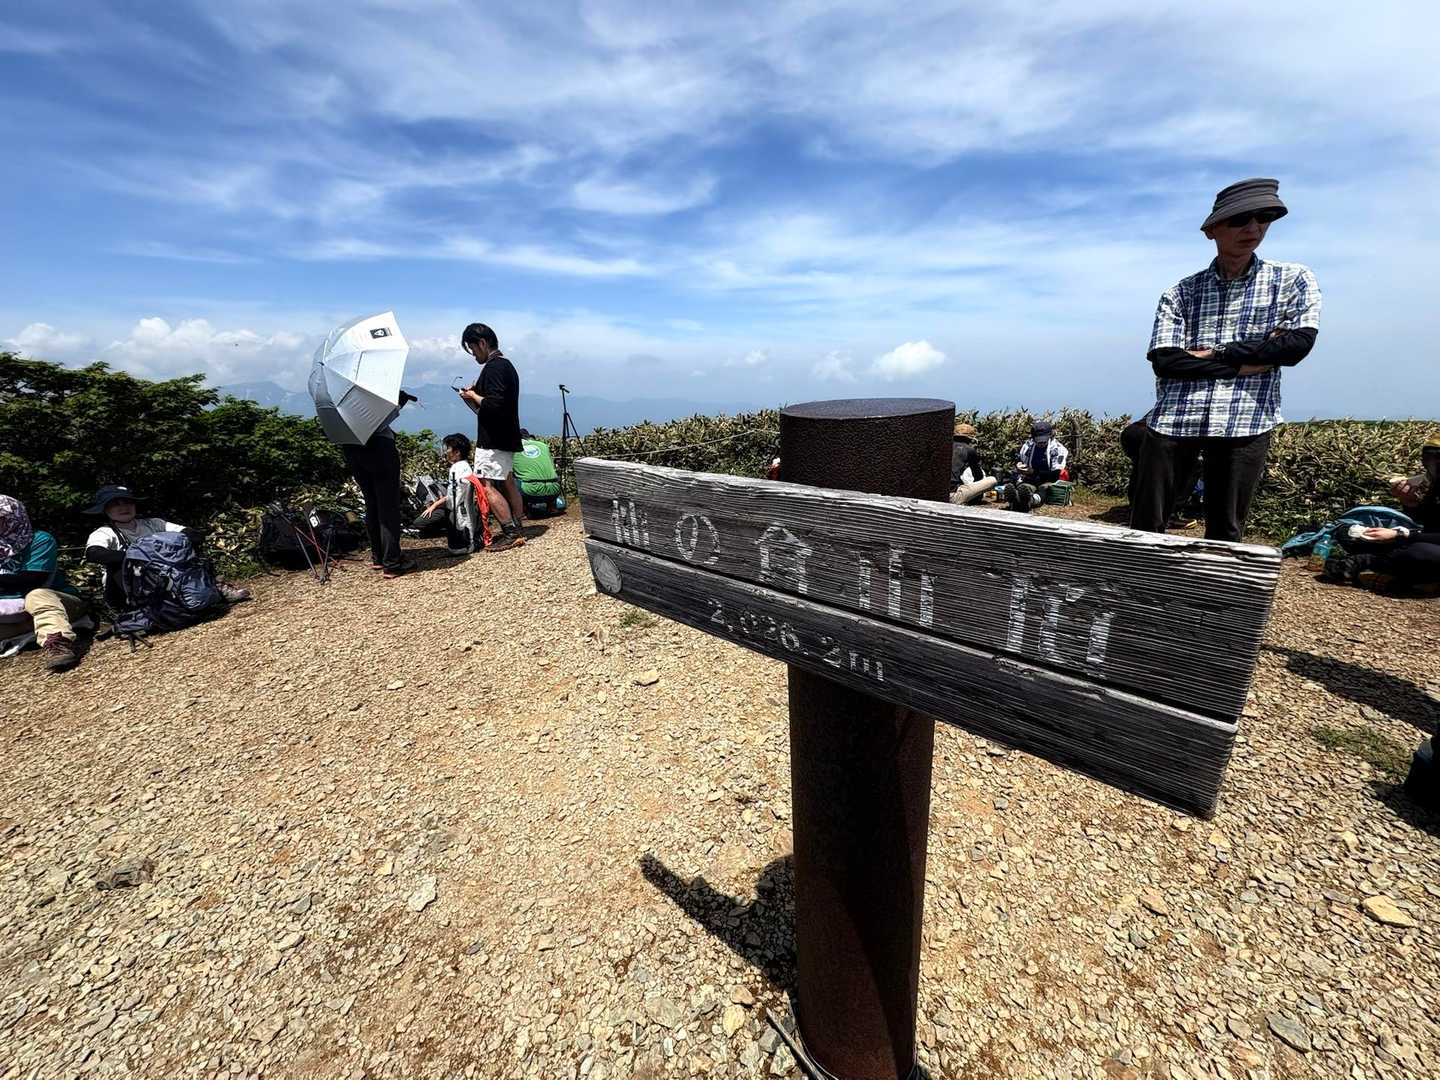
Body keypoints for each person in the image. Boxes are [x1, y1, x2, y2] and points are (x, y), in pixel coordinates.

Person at [1131, 178, 1322, 542]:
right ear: (1212, 230)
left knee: (1225, 534)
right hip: (1174, 419)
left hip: (1246, 420)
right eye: (1239, 220)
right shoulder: (1181, 292)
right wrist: (1246, 361)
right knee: (1146, 528)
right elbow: (1166, 361)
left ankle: (1214, 582)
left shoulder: (1293, 279)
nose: (1253, 228)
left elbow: (1295, 347)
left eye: (1263, 217)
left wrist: (1215, 353)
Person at [82, 485, 251, 607]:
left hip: (169, 574)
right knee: (118, 566)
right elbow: (93, 553)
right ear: (105, 510)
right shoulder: (104, 533)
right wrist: (138, 555)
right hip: (130, 586)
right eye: (115, 504)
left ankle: (211, 587)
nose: (123, 507)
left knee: (188, 549)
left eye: (127, 502)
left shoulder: (154, 523)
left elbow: (192, 534)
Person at [1334, 435, 1440, 589]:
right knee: (1350, 534)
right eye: (1429, 458)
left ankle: (1370, 563)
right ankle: (1395, 569)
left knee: (1420, 553)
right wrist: (1408, 502)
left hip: (1427, 547)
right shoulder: (1435, 485)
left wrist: (1400, 535)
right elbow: (1427, 523)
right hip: (1423, 539)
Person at [0, 495, 90, 672]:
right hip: (9, 613)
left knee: (37, 595)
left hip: (54, 602)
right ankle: (30, 627)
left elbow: (32, 580)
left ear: (14, 517)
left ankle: (58, 643)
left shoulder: (40, 540)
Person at [457, 323, 526, 552]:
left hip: (493, 438)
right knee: (507, 480)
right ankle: (518, 526)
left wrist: (474, 395)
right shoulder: (507, 366)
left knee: (486, 484)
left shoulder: (494, 367)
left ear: (482, 343)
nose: (473, 354)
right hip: (508, 434)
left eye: (472, 348)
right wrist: (472, 398)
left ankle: (510, 532)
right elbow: (493, 407)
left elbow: (495, 405)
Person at [419, 433, 489, 556]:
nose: (446, 451)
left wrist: (437, 506)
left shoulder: (457, 469)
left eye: (448, 448)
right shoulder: (465, 466)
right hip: (464, 511)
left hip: (459, 516)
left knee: (421, 523)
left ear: (457, 452)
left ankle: (464, 543)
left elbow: (454, 498)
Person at [1003, 421, 1068, 512]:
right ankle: (1017, 499)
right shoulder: (1027, 447)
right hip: (1031, 479)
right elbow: (1021, 460)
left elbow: (1056, 474)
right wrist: (1019, 466)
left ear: (1050, 436)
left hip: (1049, 480)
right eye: (1038, 439)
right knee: (1024, 487)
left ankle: (1032, 500)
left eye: (1044, 439)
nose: (1041, 442)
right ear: (1033, 438)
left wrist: (1034, 472)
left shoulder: (1058, 449)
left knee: (1044, 489)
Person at [949, 421, 995, 505]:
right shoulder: (969, 450)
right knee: (992, 480)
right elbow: (978, 475)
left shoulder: (943, 446)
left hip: (935, 493)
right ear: (970, 438)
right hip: (951, 496)